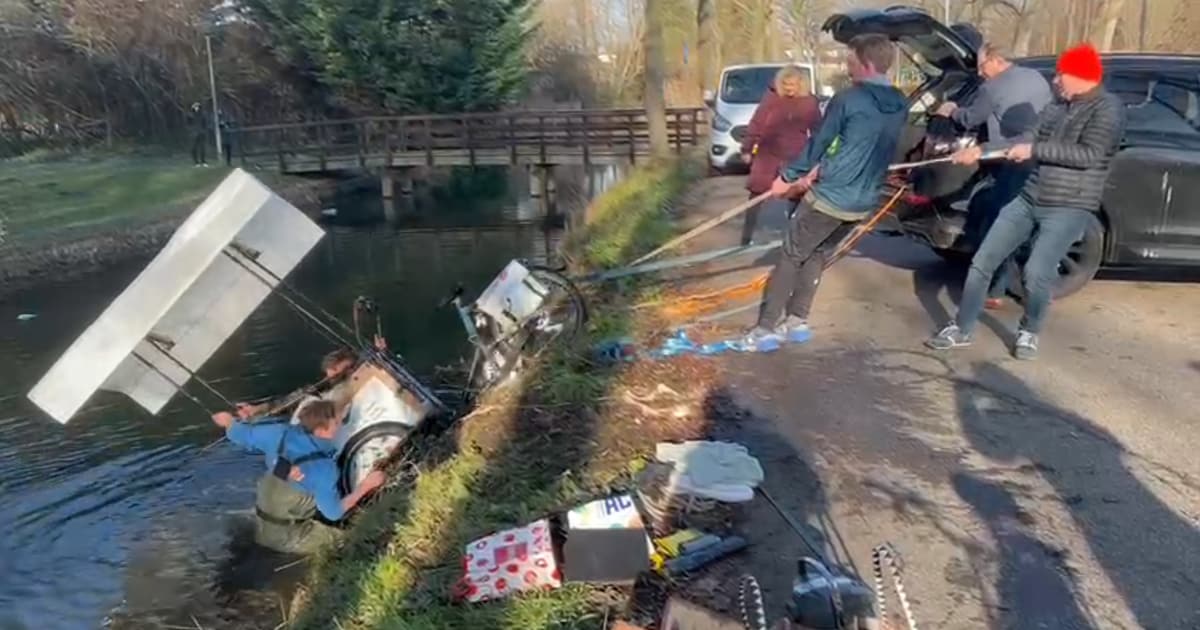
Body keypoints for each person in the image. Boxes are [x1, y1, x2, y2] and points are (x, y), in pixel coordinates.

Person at [926, 44, 1124, 360]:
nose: (1056, 80)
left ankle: (1029, 330)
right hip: (1029, 196)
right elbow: (1026, 138)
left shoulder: (1108, 110)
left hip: (1069, 205)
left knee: (1036, 274)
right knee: (982, 261)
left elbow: (1090, 154)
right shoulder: (1057, 106)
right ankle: (962, 328)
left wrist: (1035, 151)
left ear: (1081, 76)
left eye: (1061, 74)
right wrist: (983, 150)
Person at [742, 34, 907, 350]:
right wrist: (823, 167)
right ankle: (797, 322)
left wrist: (788, 176)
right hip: (864, 200)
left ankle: (764, 330)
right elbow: (861, 143)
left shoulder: (849, 98)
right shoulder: (900, 102)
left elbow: (818, 142)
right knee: (816, 252)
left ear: (867, 63)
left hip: (831, 197)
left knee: (791, 253)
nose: (848, 68)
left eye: (851, 62)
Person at [937, 42, 1053, 309]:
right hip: (1041, 159)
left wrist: (951, 110)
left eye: (982, 66)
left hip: (1009, 160)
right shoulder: (1036, 77)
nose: (980, 73)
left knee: (998, 221)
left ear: (997, 60)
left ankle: (996, 288)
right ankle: (1028, 285)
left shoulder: (992, 87)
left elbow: (971, 119)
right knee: (1030, 223)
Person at [211, 399, 386, 554]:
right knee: (355, 539)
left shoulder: (279, 431)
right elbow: (334, 513)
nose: (340, 425)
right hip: (287, 535)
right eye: (338, 422)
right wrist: (367, 485)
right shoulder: (324, 469)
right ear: (322, 431)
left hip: (263, 515)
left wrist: (229, 421)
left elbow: (239, 434)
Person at [739, 65, 822, 246]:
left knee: (797, 196)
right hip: (768, 153)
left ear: (801, 84)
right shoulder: (771, 99)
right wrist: (747, 148)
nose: (789, 89)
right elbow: (757, 123)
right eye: (786, 85)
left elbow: (818, 131)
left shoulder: (809, 103)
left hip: (796, 154)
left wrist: (818, 157)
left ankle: (797, 238)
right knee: (756, 194)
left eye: (793, 85)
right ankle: (746, 238)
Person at [189, 102, 209, 167]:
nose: (196, 108)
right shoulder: (191, 115)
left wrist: (204, 131)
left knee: (202, 148)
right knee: (193, 148)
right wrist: (191, 131)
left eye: (197, 107)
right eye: (195, 107)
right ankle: (196, 162)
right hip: (194, 134)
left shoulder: (203, 114)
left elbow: (205, 124)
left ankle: (203, 162)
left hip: (201, 133)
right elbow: (188, 124)